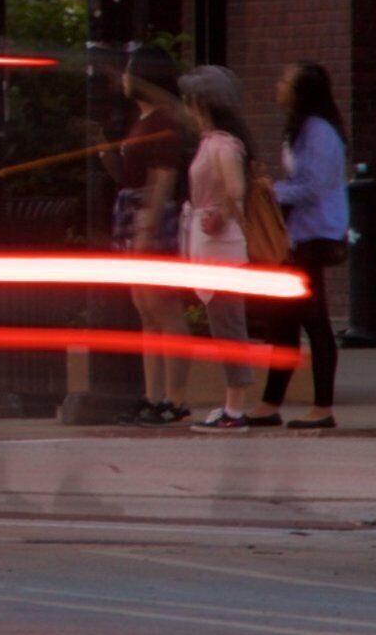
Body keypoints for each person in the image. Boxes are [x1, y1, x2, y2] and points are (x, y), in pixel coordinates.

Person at [98, 45, 193, 424]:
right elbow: (129, 176)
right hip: (133, 217)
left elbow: (163, 179)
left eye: (129, 72)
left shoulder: (162, 124)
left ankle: (176, 397)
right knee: (146, 311)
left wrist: (147, 230)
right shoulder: (143, 120)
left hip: (150, 222)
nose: (122, 80)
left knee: (163, 308)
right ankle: (153, 395)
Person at [180, 70, 279, 430]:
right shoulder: (213, 142)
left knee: (228, 323)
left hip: (220, 244)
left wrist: (220, 214)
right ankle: (231, 402)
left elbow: (235, 190)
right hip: (210, 242)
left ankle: (235, 407)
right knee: (223, 321)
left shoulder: (222, 145)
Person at [260, 61, 351, 428]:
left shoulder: (319, 133)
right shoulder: (300, 129)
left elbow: (313, 185)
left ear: (302, 91)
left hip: (315, 234)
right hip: (297, 235)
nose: (278, 83)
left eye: (285, 79)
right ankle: (269, 403)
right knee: (283, 321)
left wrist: (272, 191)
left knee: (314, 320)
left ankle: (323, 407)